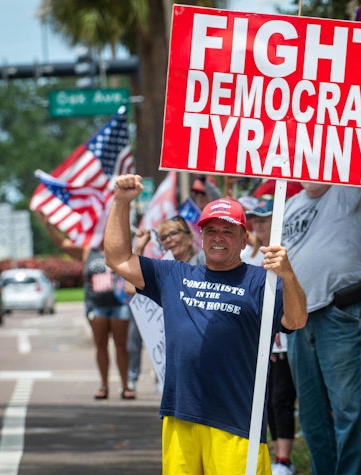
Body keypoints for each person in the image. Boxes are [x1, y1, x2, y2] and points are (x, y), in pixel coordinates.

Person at [104, 174, 307, 474]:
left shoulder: (261, 282)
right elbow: (118, 258)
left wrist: (288, 275)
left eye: (228, 231)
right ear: (201, 236)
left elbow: (296, 319)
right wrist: (121, 202)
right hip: (180, 414)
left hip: (236, 421)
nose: (217, 237)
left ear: (243, 238)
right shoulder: (174, 275)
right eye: (210, 230)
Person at [282, 183, 361, 475]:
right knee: (311, 415)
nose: (310, 167)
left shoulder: (347, 190)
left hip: (339, 314)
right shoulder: (290, 203)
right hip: (297, 320)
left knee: (349, 409)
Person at [36, 212, 134, 400]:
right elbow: (63, 245)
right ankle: (104, 386)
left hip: (119, 304)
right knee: (100, 345)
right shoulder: (88, 250)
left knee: (121, 346)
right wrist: (49, 226)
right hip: (96, 305)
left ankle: (125, 385)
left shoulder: (120, 248)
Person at [241, 196, 297, 475]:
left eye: (264, 220)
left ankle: (284, 459)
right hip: (254, 343)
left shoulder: (285, 252)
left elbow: (294, 292)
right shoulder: (245, 254)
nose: (259, 225)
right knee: (259, 402)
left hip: (284, 340)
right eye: (256, 220)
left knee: (280, 399)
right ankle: (265, 456)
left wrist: (275, 325)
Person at [126, 216, 206, 391]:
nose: (169, 239)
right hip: (175, 351)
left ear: (190, 237)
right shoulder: (163, 269)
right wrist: (139, 246)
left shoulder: (204, 261)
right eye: (163, 237)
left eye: (173, 233)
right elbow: (130, 287)